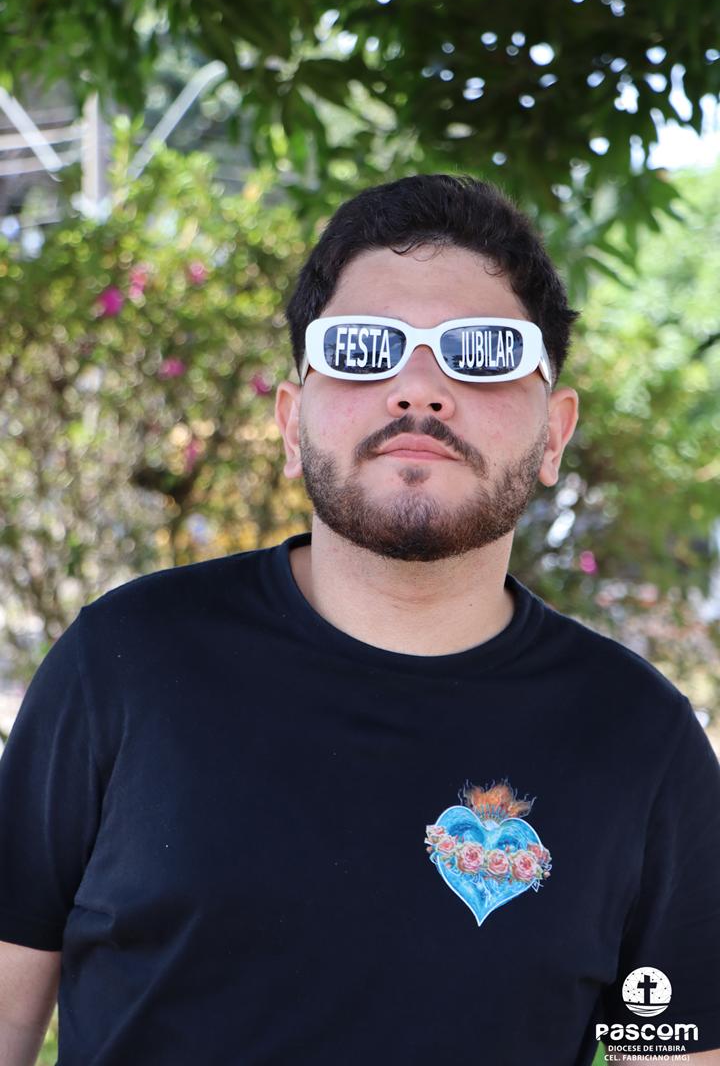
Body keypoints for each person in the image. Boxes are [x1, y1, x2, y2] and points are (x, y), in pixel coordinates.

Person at [0, 174, 718, 1066]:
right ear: (291, 421)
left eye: (483, 351)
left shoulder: (641, 741)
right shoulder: (121, 662)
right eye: (363, 348)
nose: (418, 391)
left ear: (554, 435)